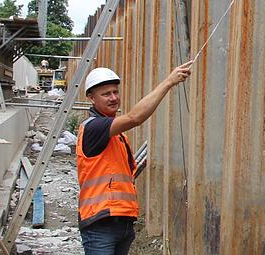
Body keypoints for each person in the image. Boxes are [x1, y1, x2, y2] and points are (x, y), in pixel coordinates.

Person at [77, 61, 192, 255]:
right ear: (91, 98)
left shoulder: (117, 135)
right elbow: (134, 118)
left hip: (122, 222)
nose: (113, 98)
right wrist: (168, 82)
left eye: (115, 92)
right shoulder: (93, 128)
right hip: (101, 223)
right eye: (106, 94)